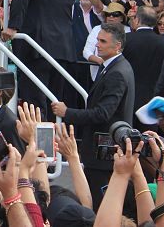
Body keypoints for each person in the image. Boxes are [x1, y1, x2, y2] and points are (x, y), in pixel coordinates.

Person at [51, 23, 134, 208]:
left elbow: (103, 113)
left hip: (102, 154)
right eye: (97, 40)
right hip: (101, 152)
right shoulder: (114, 67)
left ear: (118, 45)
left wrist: (68, 113)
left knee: (96, 204)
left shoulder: (117, 72)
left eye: (103, 41)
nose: (98, 45)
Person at [3, 0, 77, 120]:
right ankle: (54, 143)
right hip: (62, 49)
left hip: (37, 49)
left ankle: (36, 145)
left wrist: (13, 26)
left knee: (34, 105)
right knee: (55, 104)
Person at [122, 6, 164, 130]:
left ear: (137, 20)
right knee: (150, 140)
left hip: (127, 99)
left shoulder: (126, 39)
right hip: (154, 101)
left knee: (125, 139)